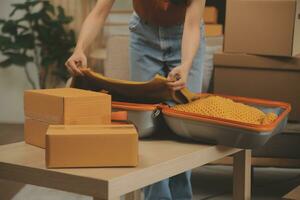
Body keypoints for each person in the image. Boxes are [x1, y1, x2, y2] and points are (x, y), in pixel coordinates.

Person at [65, 0, 206, 199]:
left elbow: (191, 26)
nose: (165, 6)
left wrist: (186, 64)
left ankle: (182, 195)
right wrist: (80, 48)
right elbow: (99, 11)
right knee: (148, 123)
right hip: (144, 37)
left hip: (185, 35)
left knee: (185, 124)